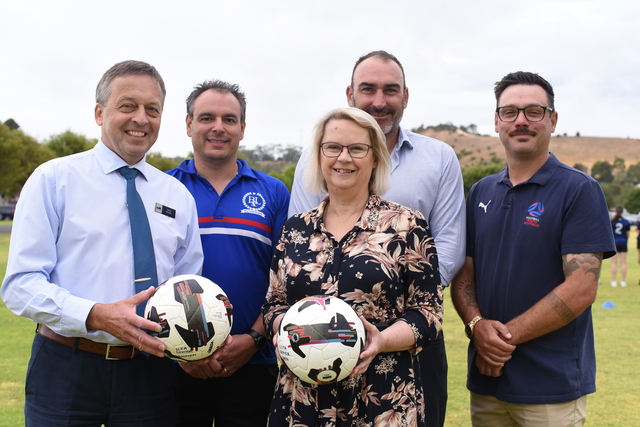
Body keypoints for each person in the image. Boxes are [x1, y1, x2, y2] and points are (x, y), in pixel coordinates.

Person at [1, 60, 204, 426]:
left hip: (150, 374)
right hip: (65, 367)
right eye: (128, 105)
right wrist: (95, 315)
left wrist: (207, 318)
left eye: (152, 109)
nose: (141, 118)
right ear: (99, 113)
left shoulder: (177, 196)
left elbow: (186, 288)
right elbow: (20, 285)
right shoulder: (54, 180)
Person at [288, 50, 464, 426]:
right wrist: (333, 322)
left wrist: (394, 315)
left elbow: (448, 246)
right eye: (368, 89)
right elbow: (300, 256)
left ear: (406, 96)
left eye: (390, 90)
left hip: (407, 346)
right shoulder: (312, 160)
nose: (379, 101)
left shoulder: (439, 158)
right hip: (320, 347)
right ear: (350, 94)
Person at [451, 71, 616, 427]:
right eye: (509, 112)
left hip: (550, 386)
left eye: (534, 111)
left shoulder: (578, 190)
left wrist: (500, 341)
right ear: (497, 121)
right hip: (487, 381)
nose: (521, 121)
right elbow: (465, 271)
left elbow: (581, 287)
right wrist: (477, 325)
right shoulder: (480, 192)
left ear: (552, 120)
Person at [263, 107, 443, 426]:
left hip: (382, 397)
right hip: (302, 400)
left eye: (357, 148)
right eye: (332, 147)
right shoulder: (295, 229)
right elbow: (273, 304)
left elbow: (429, 313)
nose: (343, 158)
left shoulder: (407, 225)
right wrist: (283, 329)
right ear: (319, 156)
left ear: (375, 158)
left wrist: (381, 340)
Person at [167, 80, 290, 427]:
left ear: (242, 128)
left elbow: (285, 279)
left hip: (253, 361)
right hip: (175, 364)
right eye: (207, 118)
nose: (218, 127)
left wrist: (253, 339)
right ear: (189, 124)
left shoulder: (273, 191)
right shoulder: (164, 188)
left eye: (229, 119)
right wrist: (181, 352)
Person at [610, 205, 630, 287]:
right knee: (623, 262)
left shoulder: (612, 221)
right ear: (622, 212)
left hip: (614, 243)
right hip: (623, 242)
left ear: (615, 211)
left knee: (614, 262)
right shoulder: (626, 222)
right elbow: (628, 234)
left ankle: (614, 281)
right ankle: (623, 281)